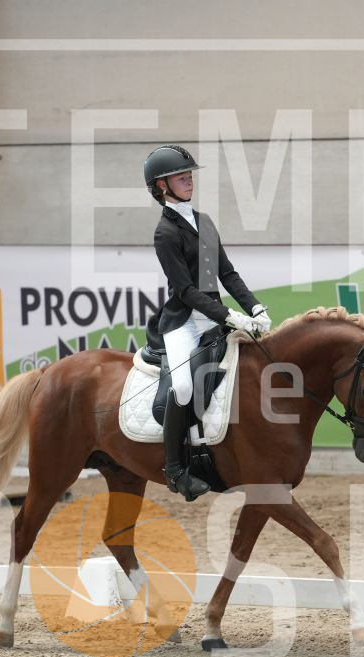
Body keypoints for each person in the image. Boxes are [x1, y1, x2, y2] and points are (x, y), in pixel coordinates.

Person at [143, 144, 272, 501]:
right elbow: (185, 290)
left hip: (213, 318)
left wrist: (255, 307)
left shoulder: (205, 221)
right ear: (161, 186)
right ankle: (175, 470)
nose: (189, 179)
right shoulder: (165, 233)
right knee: (184, 387)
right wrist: (229, 315)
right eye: (180, 176)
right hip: (183, 322)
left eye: (190, 174)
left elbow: (227, 273)